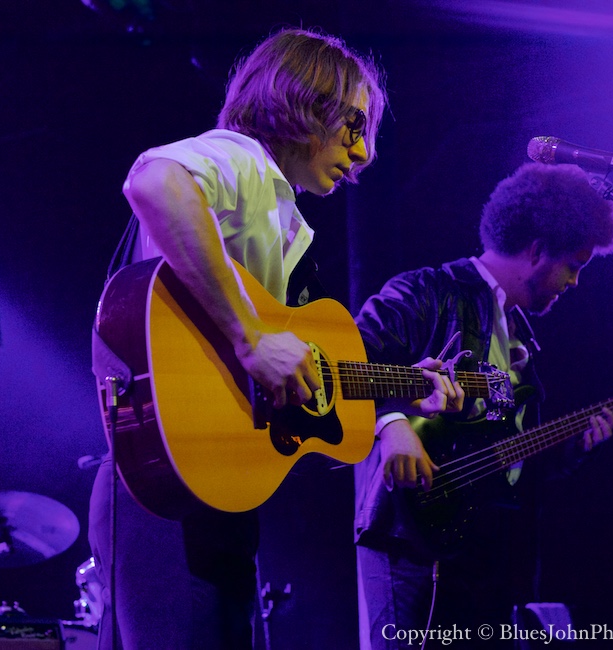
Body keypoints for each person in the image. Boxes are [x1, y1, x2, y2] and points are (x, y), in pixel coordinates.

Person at [88, 27, 461, 649]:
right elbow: (154, 182)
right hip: (165, 488)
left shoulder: (281, 219)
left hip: (206, 491)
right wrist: (252, 335)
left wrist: (401, 397)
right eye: (353, 125)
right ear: (303, 104)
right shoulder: (243, 160)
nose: (364, 152)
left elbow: (315, 378)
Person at [353, 161, 613, 649]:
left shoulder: (521, 337)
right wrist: (391, 422)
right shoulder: (428, 292)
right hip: (411, 534)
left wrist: (571, 450)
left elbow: (505, 457)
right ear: (538, 250)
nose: (575, 282)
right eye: (574, 265)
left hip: (483, 553)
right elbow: (344, 360)